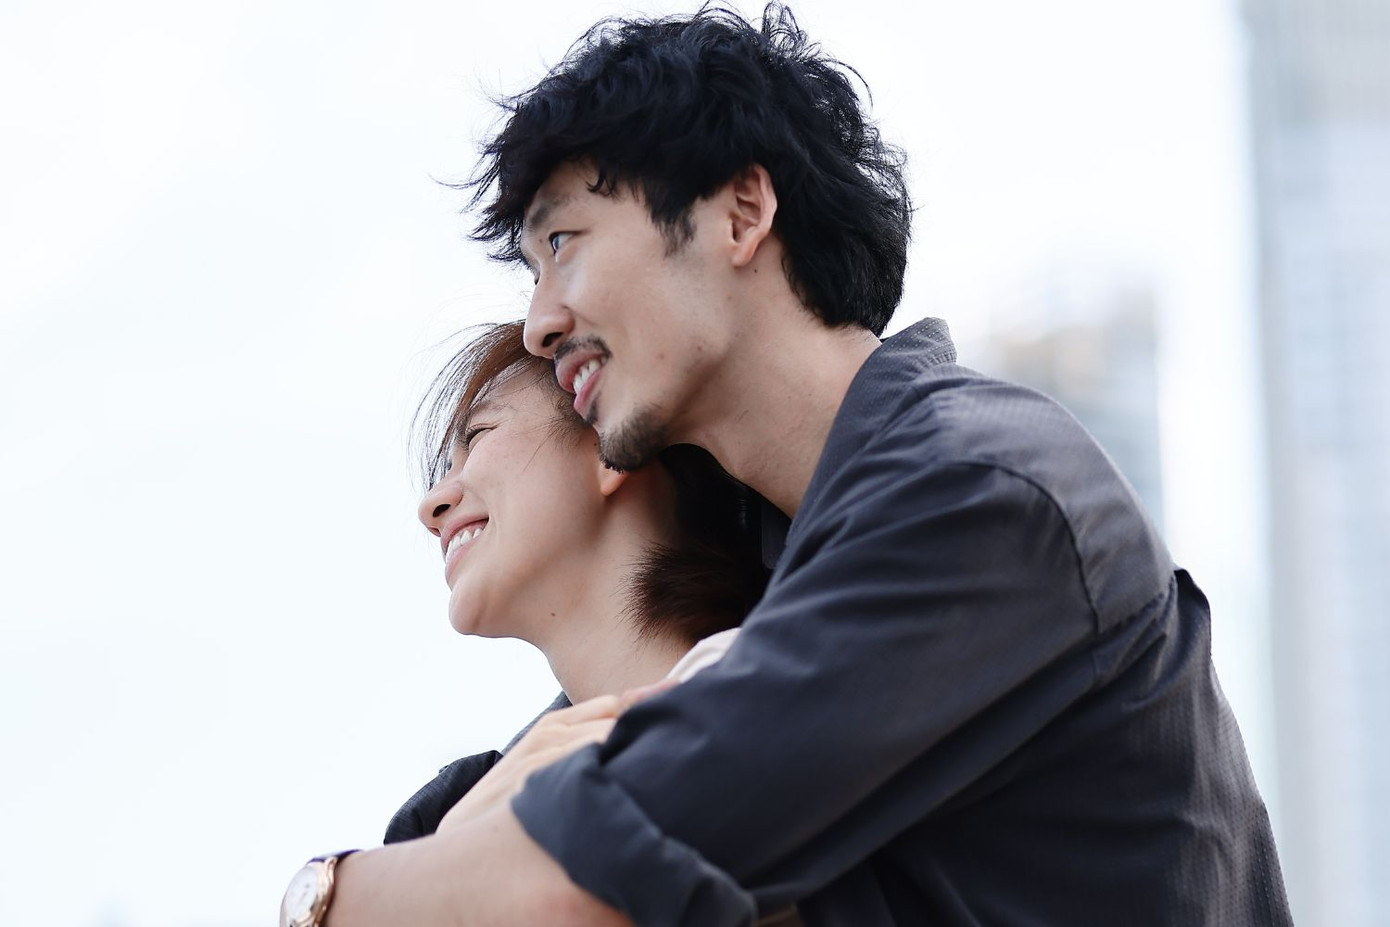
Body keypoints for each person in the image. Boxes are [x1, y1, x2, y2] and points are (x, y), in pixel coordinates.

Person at [297, 5, 1292, 925]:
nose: (540, 321)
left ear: (741, 213)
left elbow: (592, 871)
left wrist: (325, 898)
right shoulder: (773, 583)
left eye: (564, 242)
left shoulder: (980, 490)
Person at [380, 320, 771, 848]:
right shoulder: (470, 818)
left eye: (478, 436)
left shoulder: (811, 701)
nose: (431, 505)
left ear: (613, 443)